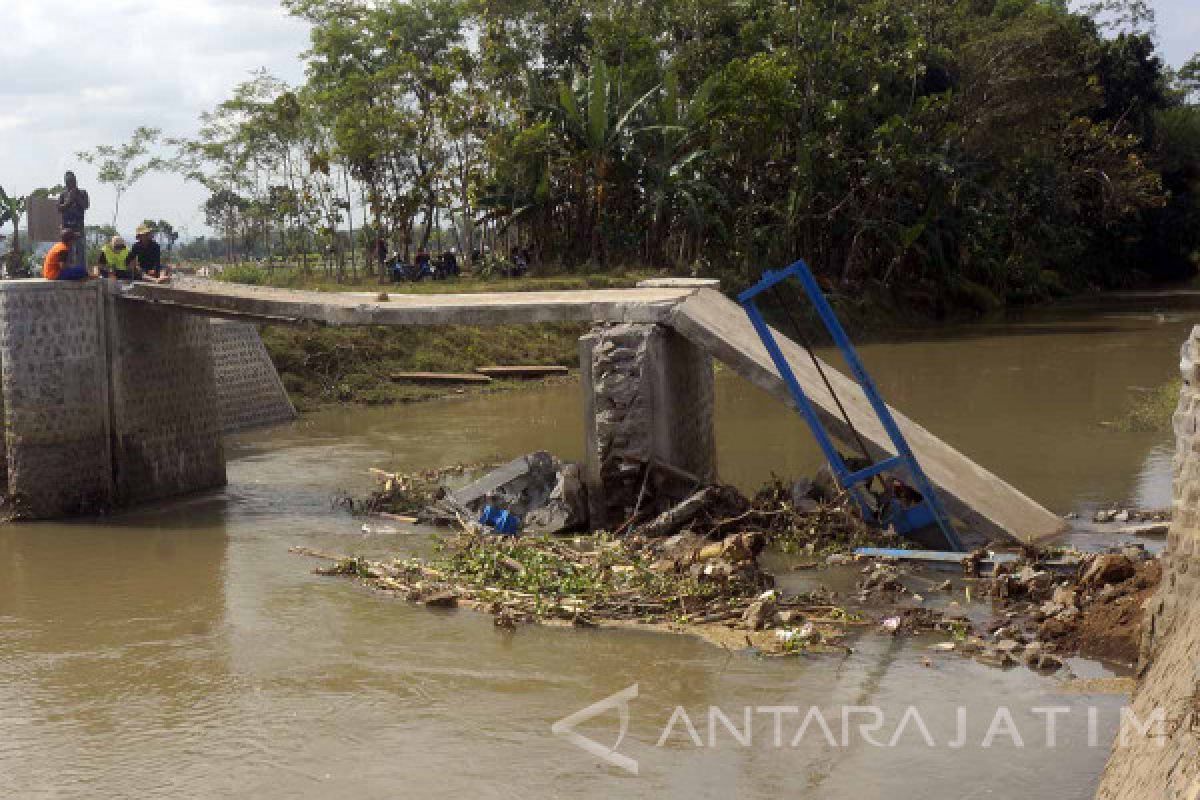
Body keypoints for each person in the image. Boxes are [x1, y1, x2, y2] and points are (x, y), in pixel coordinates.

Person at [57, 172, 90, 270]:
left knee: (80, 251)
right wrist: (69, 201)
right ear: (66, 183)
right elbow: (59, 208)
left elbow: (86, 206)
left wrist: (77, 197)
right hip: (66, 229)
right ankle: (67, 272)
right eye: (69, 181)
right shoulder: (63, 195)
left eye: (73, 181)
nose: (71, 183)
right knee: (67, 252)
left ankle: (81, 272)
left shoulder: (83, 192)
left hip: (79, 227)